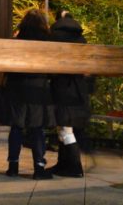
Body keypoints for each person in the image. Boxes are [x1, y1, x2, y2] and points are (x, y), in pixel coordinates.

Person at [0, 8, 55, 179]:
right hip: (38, 89)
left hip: (17, 88)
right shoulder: (48, 41)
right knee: (37, 128)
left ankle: (13, 166)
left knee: (16, 127)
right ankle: (39, 167)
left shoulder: (17, 40)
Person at [48, 9, 92, 178]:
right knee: (66, 128)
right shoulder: (81, 39)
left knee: (64, 129)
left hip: (61, 86)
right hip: (78, 88)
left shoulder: (54, 36)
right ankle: (64, 165)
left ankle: (74, 167)